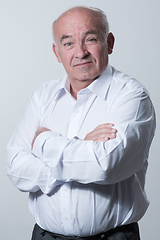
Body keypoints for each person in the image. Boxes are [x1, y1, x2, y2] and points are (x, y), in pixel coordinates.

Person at [6, 6, 156, 240]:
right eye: (68, 44)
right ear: (57, 53)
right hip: (45, 236)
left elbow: (106, 166)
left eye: (91, 39)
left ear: (110, 42)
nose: (80, 52)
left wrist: (44, 143)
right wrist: (82, 145)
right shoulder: (43, 96)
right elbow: (16, 169)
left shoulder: (132, 95)